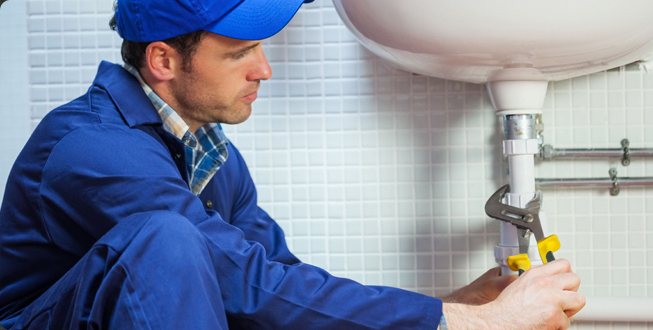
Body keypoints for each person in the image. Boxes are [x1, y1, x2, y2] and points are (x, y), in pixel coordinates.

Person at [0, 0, 585, 329]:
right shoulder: (95, 148)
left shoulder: (207, 153)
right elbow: (243, 283)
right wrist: (471, 327)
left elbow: (278, 289)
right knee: (170, 240)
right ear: (163, 60)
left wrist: (451, 306)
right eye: (240, 53)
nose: (264, 70)